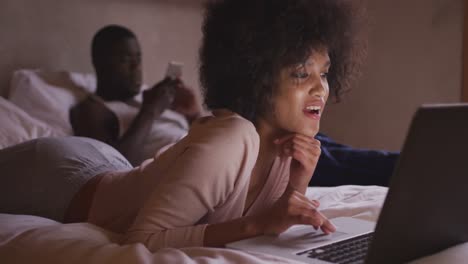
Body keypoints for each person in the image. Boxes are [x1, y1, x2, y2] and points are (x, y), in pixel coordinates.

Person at [0, 0, 366, 251]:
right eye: (302, 73)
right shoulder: (231, 138)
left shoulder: (290, 144)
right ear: (254, 77)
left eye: (325, 72)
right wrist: (256, 226)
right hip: (58, 176)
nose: (321, 88)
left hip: (110, 165)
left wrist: (298, 183)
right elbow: (141, 241)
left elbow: (273, 218)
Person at [69, 25, 201, 165]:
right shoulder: (91, 109)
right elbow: (111, 166)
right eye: (125, 60)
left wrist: (194, 116)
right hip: (187, 168)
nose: (136, 67)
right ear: (99, 62)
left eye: (138, 59)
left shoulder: (151, 98)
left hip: (207, 156)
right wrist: (150, 110)